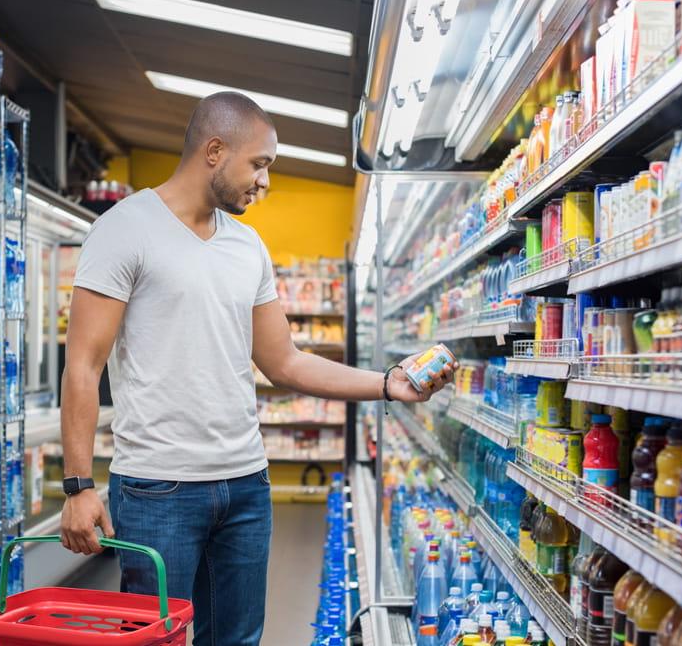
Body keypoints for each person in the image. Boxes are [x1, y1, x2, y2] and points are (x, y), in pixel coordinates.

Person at [60, 91, 456, 645]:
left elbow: (286, 362)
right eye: (260, 164)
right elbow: (83, 364)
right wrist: (78, 485)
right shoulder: (126, 229)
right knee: (157, 641)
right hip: (158, 488)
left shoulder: (248, 246)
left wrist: (388, 383)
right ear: (215, 150)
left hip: (246, 484)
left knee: (238, 640)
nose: (265, 182)